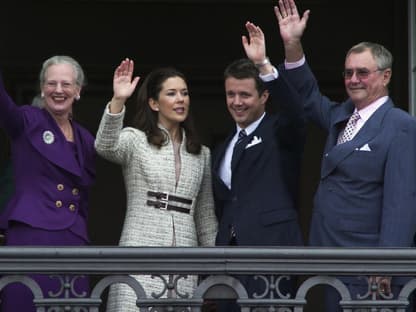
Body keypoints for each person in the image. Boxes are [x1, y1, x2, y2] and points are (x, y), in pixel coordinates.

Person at [274, 0, 416, 310]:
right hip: (326, 255)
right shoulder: (342, 114)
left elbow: (401, 202)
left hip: (366, 263)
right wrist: (293, 45)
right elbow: (309, 95)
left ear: (386, 76)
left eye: (362, 73)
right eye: (348, 72)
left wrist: (387, 263)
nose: (353, 79)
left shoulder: (400, 126)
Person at [95, 59, 218, 311]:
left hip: (185, 253)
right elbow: (105, 146)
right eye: (171, 93)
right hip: (140, 246)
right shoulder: (135, 141)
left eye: (184, 93)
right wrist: (118, 100)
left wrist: (213, 270)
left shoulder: (201, 153)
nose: (180, 99)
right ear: (154, 103)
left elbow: (205, 215)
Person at [211, 22, 306, 311]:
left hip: (272, 255)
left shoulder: (280, 131)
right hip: (230, 262)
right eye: (231, 94)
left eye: (245, 95)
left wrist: (264, 65)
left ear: (264, 96)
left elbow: (296, 113)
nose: (236, 102)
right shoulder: (222, 146)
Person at [0, 55, 96, 311]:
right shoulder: (27, 120)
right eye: (51, 83)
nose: (58, 90)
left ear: (78, 90)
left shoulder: (85, 138)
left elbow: (84, 195)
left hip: (73, 237)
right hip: (32, 233)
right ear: (42, 89)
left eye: (66, 84)